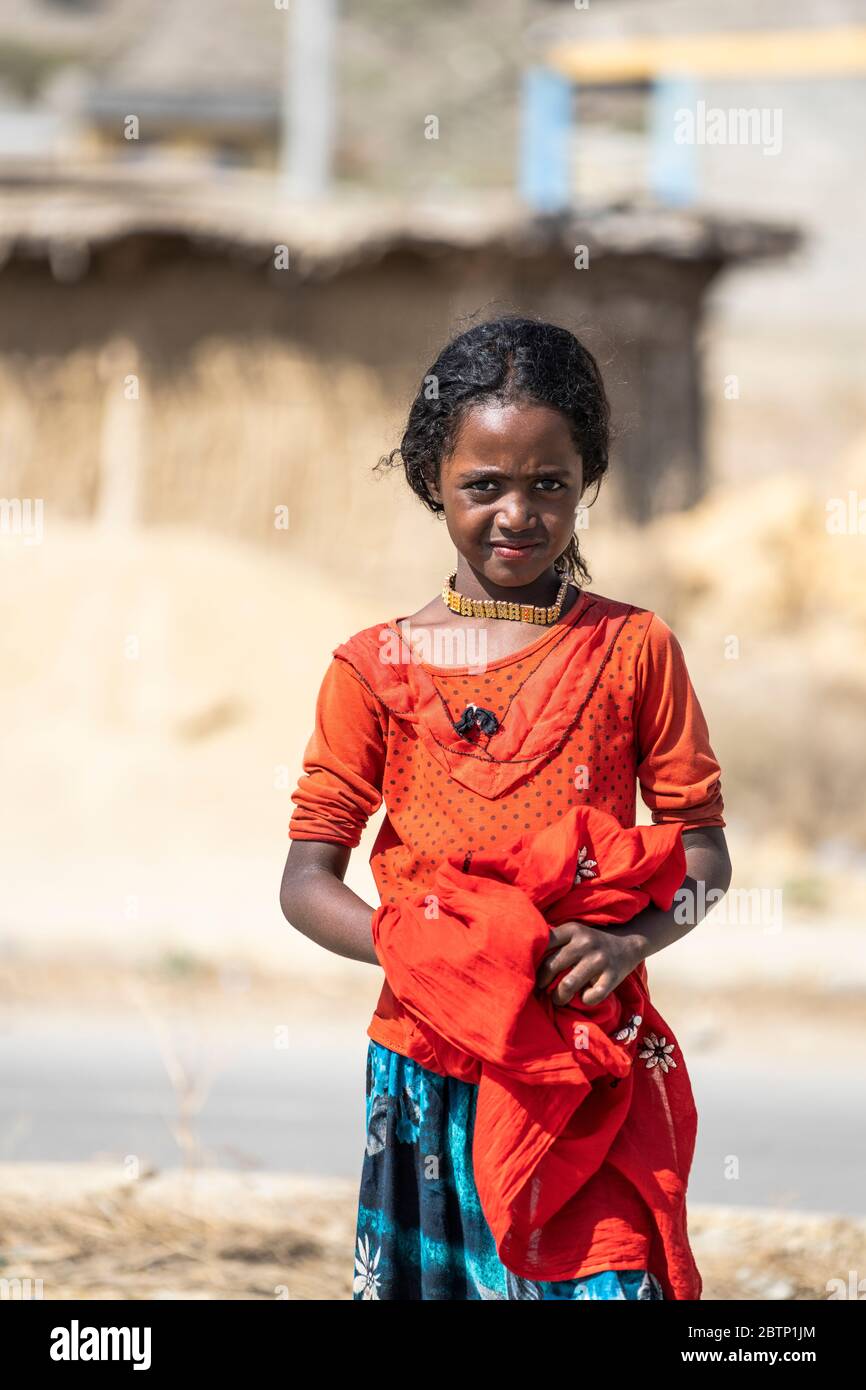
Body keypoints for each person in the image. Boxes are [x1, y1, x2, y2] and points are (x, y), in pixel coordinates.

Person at [279, 315, 732, 1301]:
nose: (516, 514)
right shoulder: (376, 667)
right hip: (427, 1063)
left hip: (584, 1059)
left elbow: (704, 863)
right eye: (483, 485)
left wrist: (627, 945)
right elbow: (305, 881)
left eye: (548, 484)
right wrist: (423, 947)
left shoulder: (633, 651)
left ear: (586, 481)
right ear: (430, 481)